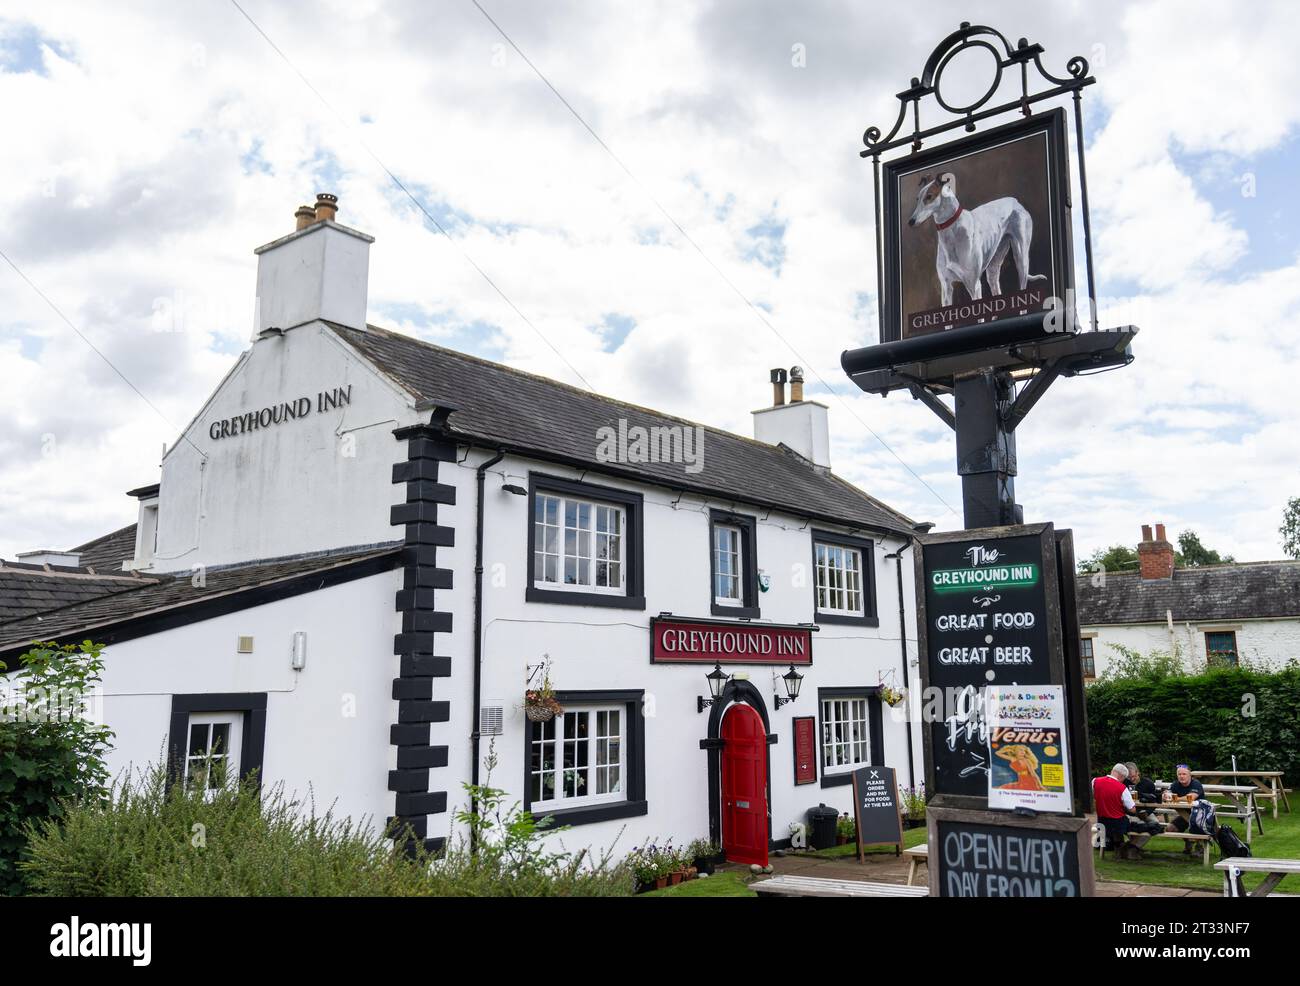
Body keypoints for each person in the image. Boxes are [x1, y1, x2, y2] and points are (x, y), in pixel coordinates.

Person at [1094, 763, 1147, 859]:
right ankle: (1130, 849)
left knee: (1119, 826)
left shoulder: (1095, 781)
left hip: (1102, 821)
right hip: (1118, 823)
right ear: (1122, 776)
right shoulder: (1122, 788)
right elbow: (1132, 809)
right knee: (1143, 825)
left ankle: (1120, 849)